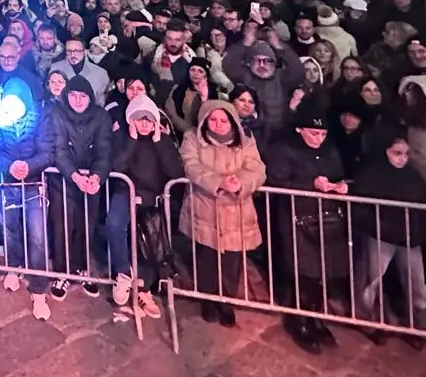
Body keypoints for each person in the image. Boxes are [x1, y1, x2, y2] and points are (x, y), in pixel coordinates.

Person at [265, 102, 350, 353]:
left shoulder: (329, 150)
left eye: (323, 134)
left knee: (321, 271)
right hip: (296, 217)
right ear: (300, 130)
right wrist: (310, 183)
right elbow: (277, 179)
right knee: (301, 271)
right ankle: (298, 320)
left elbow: (337, 172)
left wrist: (339, 186)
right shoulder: (283, 149)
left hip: (325, 218)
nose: (318, 139)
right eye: (314, 133)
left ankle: (315, 317)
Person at [178, 98, 267, 327]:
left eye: (223, 120)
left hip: (235, 212)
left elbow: (257, 169)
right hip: (205, 208)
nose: (218, 124)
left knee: (232, 263)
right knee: (206, 260)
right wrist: (218, 181)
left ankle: (226, 301)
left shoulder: (246, 142)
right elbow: (191, 165)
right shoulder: (192, 139)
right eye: (213, 120)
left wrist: (240, 183)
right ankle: (208, 300)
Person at [0, 73, 56, 319]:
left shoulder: (41, 117)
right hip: (7, 184)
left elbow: (47, 151)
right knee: (10, 229)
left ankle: (39, 288)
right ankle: (14, 267)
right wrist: (8, 165)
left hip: (33, 185)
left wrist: (28, 165)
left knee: (37, 236)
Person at [350, 129, 426, 347]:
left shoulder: (413, 174)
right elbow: (361, 206)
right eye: (397, 153)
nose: (402, 159)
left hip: (409, 236)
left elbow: (423, 202)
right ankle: (368, 321)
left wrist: (423, 227)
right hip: (381, 235)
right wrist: (377, 225)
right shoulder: (370, 174)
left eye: (406, 154)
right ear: (384, 151)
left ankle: (417, 327)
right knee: (371, 280)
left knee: (416, 283)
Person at [109, 91, 181, 319]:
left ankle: (145, 289)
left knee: (151, 240)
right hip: (126, 192)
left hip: (151, 197)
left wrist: (161, 144)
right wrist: (130, 139)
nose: (144, 124)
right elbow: (117, 166)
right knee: (114, 224)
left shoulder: (163, 140)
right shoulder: (123, 138)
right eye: (139, 119)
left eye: (148, 119)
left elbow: (175, 172)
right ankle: (123, 273)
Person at [46, 74, 111, 301]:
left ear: (90, 97)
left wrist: (96, 178)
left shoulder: (101, 116)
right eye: (73, 95)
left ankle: (82, 267)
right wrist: (74, 175)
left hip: (90, 181)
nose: (77, 100)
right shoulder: (57, 113)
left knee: (87, 225)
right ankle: (62, 271)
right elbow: (59, 148)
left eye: (82, 96)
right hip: (62, 179)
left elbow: (104, 150)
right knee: (62, 224)